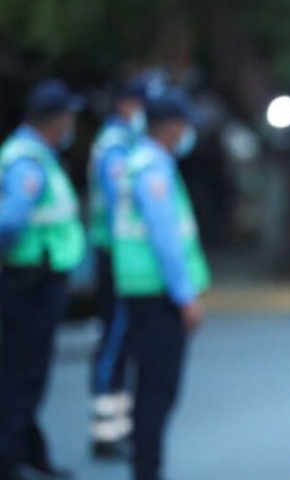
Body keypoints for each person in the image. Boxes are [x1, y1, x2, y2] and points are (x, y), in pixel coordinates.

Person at [112, 88, 210, 480]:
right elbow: (166, 239)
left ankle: (145, 468)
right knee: (156, 391)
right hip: (157, 294)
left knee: (150, 389)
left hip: (144, 291)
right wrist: (185, 296)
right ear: (171, 127)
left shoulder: (143, 163)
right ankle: (146, 471)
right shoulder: (152, 169)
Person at [0, 79, 85, 480]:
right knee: (22, 373)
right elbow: (11, 219)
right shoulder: (27, 161)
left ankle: (28, 451)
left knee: (25, 371)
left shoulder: (35, 154)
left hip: (34, 281)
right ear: (55, 119)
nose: (71, 123)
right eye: (68, 115)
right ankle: (10, 457)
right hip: (30, 283)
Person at [87, 75, 161, 460]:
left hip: (121, 254)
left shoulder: (127, 144)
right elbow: (123, 201)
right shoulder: (116, 147)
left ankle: (116, 427)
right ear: (127, 105)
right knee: (115, 339)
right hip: (115, 254)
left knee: (123, 339)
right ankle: (104, 430)